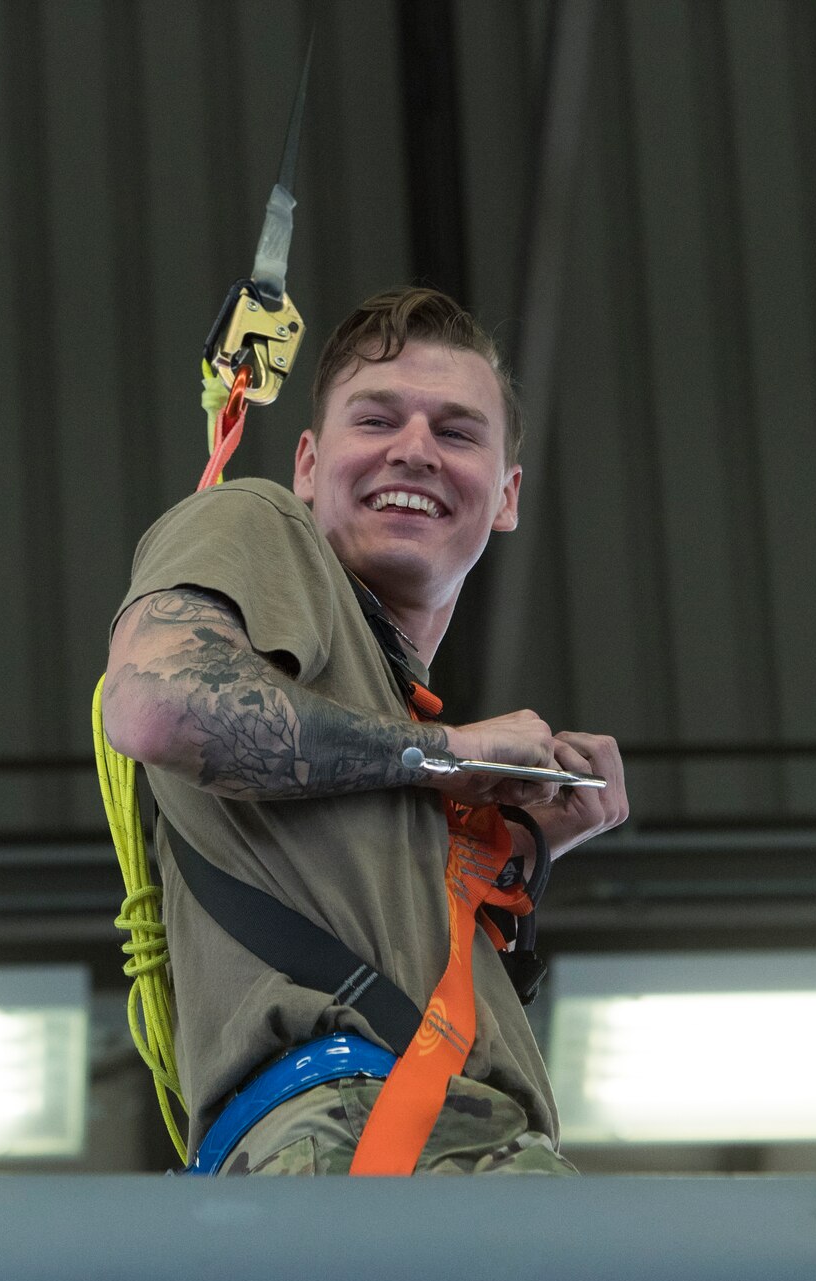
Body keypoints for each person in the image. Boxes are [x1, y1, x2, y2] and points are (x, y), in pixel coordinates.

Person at [100, 286, 628, 1175]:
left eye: (457, 432)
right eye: (376, 419)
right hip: (360, 1134)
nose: (415, 449)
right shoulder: (258, 521)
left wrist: (523, 851)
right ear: (308, 466)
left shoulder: (387, 727)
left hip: (430, 1145)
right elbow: (158, 699)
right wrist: (444, 755)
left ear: (506, 496)